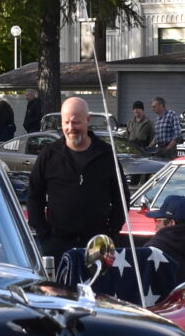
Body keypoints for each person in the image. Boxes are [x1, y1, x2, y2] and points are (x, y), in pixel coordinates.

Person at [25, 96, 127, 257]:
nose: (70, 128)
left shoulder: (106, 155)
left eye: (75, 122)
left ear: (87, 120)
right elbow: (34, 197)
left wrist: (112, 233)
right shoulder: (49, 155)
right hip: (57, 245)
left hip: (98, 245)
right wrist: (45, 236)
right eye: (66, 122)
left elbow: (121, 197)